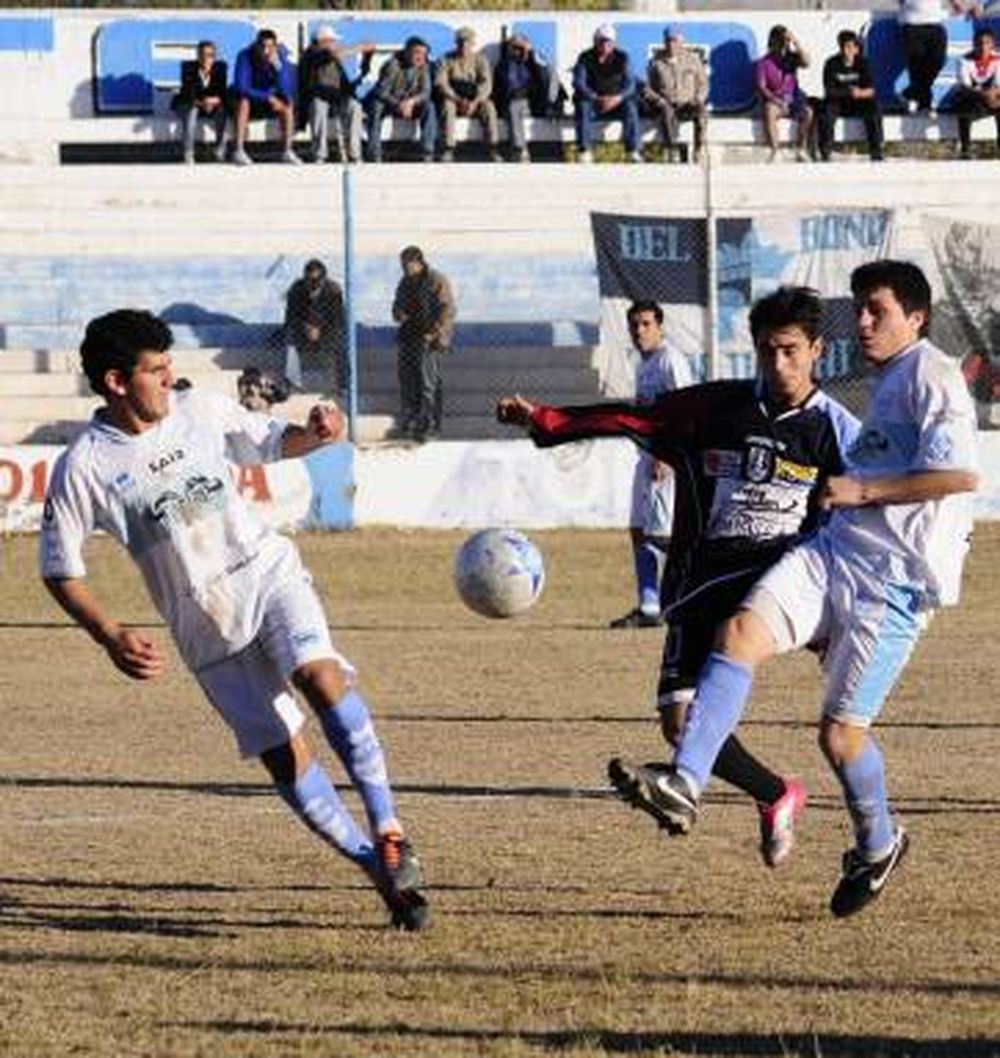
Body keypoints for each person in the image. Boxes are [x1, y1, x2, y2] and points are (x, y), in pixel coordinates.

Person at [609, 261, 978, 918]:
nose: (862, 322)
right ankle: (685, 782)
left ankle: (879, 844)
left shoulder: (934, 377)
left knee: (840, 738)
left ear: (917, 318)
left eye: (877, 310)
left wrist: (863, 490)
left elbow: (958, 476)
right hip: (834, 555)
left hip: (892, 586)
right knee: (739, 633)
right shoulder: (891, 377)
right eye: (859, 308)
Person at [38, 309, 429, 930]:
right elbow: (60, 567)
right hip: (206, 626)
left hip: (266, 573)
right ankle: (376, 868)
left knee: (320, 677)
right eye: (155, 370)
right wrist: (108, 633)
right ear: (116, 382)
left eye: (169, 366)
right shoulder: (84, 465)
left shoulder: (198, 409)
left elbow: (274, 440)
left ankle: (389, 829)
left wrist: (316, 432)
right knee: (286, 758)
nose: (169, 379)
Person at [497, 287, 860, 868]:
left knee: (733, 642)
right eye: (767, 351)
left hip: (770, 577)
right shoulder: (716, 407)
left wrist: (835, 614)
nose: (778, 364)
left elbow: (865, 521)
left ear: (817, 349)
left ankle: (684, 784)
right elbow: (632, 416)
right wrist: (546, 420)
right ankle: (775, 793)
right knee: (679, 722)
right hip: (699, 577)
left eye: (791, 350)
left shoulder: (839, 432)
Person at [609, 301, 695, 629]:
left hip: (666, 461)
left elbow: (688, 408)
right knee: (638, 530)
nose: (639, 331)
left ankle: (689, 601)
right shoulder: (644, 365)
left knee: (664, 536)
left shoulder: (670, 360)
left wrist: (668, 454)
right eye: (634, 325)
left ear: (660, 327)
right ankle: (648, 606)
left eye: (646, 324)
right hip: (645, 458)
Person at [391, 246, 455, 442]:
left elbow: (447, 309)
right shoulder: (404, 282)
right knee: (408, 381)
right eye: (403, 264)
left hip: (428, 337)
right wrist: (398, 313)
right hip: (408, 336)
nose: (405, 268)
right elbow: (396, 306)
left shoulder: (435, 280)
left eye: (408, 264)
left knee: (428, 382)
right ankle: (412, 420)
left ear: (419, 262)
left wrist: (437, 333)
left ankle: (430, 423)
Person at [298, 24, 374, 165]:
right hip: (317, 98)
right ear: (322, 42)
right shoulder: (311, 54)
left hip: (337, 98)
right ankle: (319, 154)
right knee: (318, 106)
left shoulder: (335, 60)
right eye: (333, 41)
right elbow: (333, 54)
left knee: (354, 106)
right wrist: (360, 47)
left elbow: (352, 81)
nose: (336, 44)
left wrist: (367, 57)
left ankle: (355, 154)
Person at [572, 24, 642, 164]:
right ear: (595, 41)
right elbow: (578, 83)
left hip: (617, 103)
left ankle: (633, 151)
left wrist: (617, 98)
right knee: (583, 105)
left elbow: (631, 85)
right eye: (601, 41)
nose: (605, 45)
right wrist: (596, 98)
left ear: (614, 43)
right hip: (594, 103)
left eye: (608, 42)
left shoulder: (623, 57)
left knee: (631, 106)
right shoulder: (585, 57)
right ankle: (585, 151)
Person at [229, 29, 300, 166]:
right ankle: (238, 151)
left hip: (267, 102)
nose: (266, 50)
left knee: (287, 105)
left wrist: (278, 68)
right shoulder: (245, 56)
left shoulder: (280, 58)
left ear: (275, 47)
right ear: (257, 45)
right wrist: (267, 97)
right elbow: (242, 87)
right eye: (262, 46)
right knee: (244, 102)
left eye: (270, 47)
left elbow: (287, 90)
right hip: (246, 100)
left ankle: (287, 151)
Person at [492, 31, 561, 163]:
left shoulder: (535, 60)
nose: (518, 51)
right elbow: (509, 87)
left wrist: (531, 53)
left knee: (516, 106)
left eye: (520, 47)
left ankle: (528, 151)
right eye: (514, 47)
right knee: (514, 106)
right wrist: (514, 58)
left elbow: (549, 76)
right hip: (514, 103)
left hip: (536, 103)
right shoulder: (504, 65)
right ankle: (520, 149)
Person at [643, 26, 709, 164]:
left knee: (702, 111)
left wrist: (698, 98)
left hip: (687, 105)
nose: (671, 44)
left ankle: (699, 149)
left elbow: (703, 83)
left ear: (681, 42)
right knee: (666, 111)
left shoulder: (693, 59)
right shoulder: (656, 62)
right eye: (668, 41)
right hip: (666, 105)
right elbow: (647, 88)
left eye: (675, 40)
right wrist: (658, 100)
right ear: (664, 42)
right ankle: (672, 150)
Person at [367, 36, 437, 164]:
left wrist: (411, 102)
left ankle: (427, 152)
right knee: (376, 106)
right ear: (407, 52)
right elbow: (382, 91)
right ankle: (374, 152)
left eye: (423, 54)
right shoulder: (392, 65)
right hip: (390, 103)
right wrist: (399, 104)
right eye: (417, 52)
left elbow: (426, 92)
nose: (420, 57)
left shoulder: (424, 66)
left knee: (429, 106)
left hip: (409, 104)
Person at [436, 27, 500, 164]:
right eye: (461, 42)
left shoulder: (481, 60)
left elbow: (487, 84)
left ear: (473, 43)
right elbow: (442, 83)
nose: (464, 45)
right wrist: (458, 100)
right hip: (455, 99)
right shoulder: (446, 59)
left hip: (474, 100)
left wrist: (475, 102)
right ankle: (448, 148)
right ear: (456, 43)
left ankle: (492, 147)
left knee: (489, 106)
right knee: (447, 106)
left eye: (467, 42)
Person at [818, 30, 884, 162]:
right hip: (838, 102)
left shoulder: (863, 63)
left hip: (858, 102)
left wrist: (860, 93)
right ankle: (825, 152)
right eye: (845, 46)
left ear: (856, 48)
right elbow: (829, 91)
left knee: (874, 107)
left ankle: (876, 151)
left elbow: (872, 90)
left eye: (851, 47)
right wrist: (848, 92)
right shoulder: (831, 63)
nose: (847, 50)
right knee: (826, 111)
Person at [284, 260, 347, 397]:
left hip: (326, 332)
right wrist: (305, 326)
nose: (312, 286)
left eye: (316, 281)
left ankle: (343, 385)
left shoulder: (333, 291)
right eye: (309, 281)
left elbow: (339, 320)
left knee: (341, 341)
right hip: (303, 331)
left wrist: (320, 329)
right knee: (289, 339)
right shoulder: (296, 290)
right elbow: (290, 318)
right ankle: (292, 384)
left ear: (323, 280)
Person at [755, 24, 814, 163]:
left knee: (808, 112)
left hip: (793, 99)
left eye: (786, 41)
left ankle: (800, 148)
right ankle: (775, 150)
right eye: (781, 41)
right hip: (777, 101)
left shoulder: (791, 58)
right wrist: (776, 100)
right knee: (769, 110)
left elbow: (807, 62)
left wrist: (795, 42)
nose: (784, 44)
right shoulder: (764, 62)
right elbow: (762, 87)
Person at [898, 0, 968, 113]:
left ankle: (910, 93)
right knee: (917, 65)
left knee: (938, 61)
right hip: (912, 25)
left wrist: (957, 4)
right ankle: (924, 104)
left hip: (936, 24)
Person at [172, 40, 229, 165]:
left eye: (210, 55)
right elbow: (189, 91)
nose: (206, 58)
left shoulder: (220, 68)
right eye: (202, 55)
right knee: (192, 111)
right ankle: (188, 152)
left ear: (214, 57)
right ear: (197, 56)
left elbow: (222, 91)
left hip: (210, 105)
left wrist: (214, 100)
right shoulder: (188, 67)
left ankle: (220, 149)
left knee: (222, 111)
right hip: (189, 103)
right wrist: (203, 102)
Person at [952, 26, 1000, 159]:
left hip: (991, 100)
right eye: (979, 43)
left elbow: (998, 85)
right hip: (972, 98)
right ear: (974, 44)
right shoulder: (964, 60)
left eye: (987, 43)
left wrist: (994, 95)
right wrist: (985, 95)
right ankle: (965, 149)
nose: (983, 47)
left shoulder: (997, 59)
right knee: (964, 107)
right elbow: (965, 86)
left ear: (992, 44)